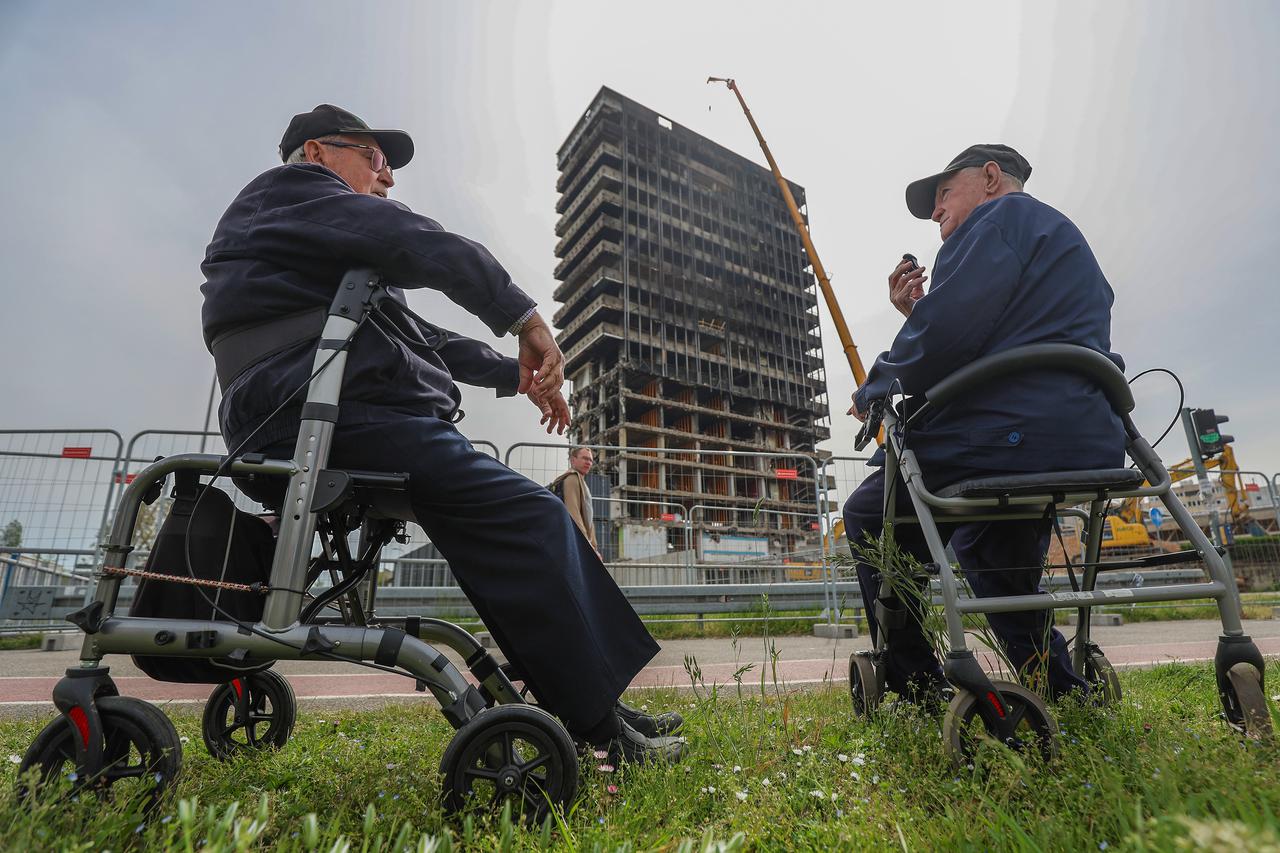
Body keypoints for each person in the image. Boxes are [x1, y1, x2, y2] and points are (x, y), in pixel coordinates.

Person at [200, 104, 683, 761]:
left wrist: (521, 376)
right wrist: (524, 318)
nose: (388, 178)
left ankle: (599, 700)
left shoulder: (314, 247)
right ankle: (599, 727)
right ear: (316, 151)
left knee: (521, 516)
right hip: (321, 418)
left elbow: (423, 339)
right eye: (375, 158)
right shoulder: (290, 193)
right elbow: (419, 242)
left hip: (340, 416)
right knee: (531, 515)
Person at [843, 144, 1126, 702]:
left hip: (1006, 434)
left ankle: (918, 681)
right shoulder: (1063, 244)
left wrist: (878, 383)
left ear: (991, 178)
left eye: (944, 193)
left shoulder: (1001, 218)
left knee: (868, 516)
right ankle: (1061, 689)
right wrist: (919, 314)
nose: (935, 211)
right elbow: (992, 336)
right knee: (988, 550)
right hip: (1082, 437)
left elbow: (948, 334)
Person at [550, 447, 601, 556]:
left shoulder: (580, 480)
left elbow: (587, 518)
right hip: (575, 543)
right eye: (584, 458)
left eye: (591, 460)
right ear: (573, 460)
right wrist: (587, 545)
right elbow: (574, 514)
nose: (588, 462)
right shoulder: (572, 479)